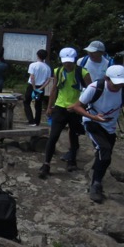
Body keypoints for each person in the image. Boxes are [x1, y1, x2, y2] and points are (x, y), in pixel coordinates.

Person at [69, 64, 124, 203]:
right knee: (105, 150)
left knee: (104, 154)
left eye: (120, 84)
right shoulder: (95, 88)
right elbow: (77, 106)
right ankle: (96, 185)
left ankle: (95, 173)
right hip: (92, 122)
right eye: (115, 83)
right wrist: (93, 117)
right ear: (107, 79)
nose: (117, 87)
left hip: (110, 126)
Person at [38, 47, 92, 179]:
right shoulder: (58, 71)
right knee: (53, 136)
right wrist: (50, 107)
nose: (67, 64)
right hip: (60, 107)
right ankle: (46, 164)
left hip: (76, 108)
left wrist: (81, 106)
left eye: (69, 61)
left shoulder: (83, 72)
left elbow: (91, 91)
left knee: (74, 135)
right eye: (65, 61)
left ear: (74, 60)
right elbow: (54, 89)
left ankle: (72, 160)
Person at [23, 49, 52, 126]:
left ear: (38, 55)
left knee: (26, 102)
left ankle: (31, 120)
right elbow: (48, 80)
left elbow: (32, 77)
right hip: (41, 87)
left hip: (32, 86)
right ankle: (37, 121)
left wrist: (34, 87)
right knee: (38, 105)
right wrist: (41, 88)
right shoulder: (47, 68)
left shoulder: (33, 65)